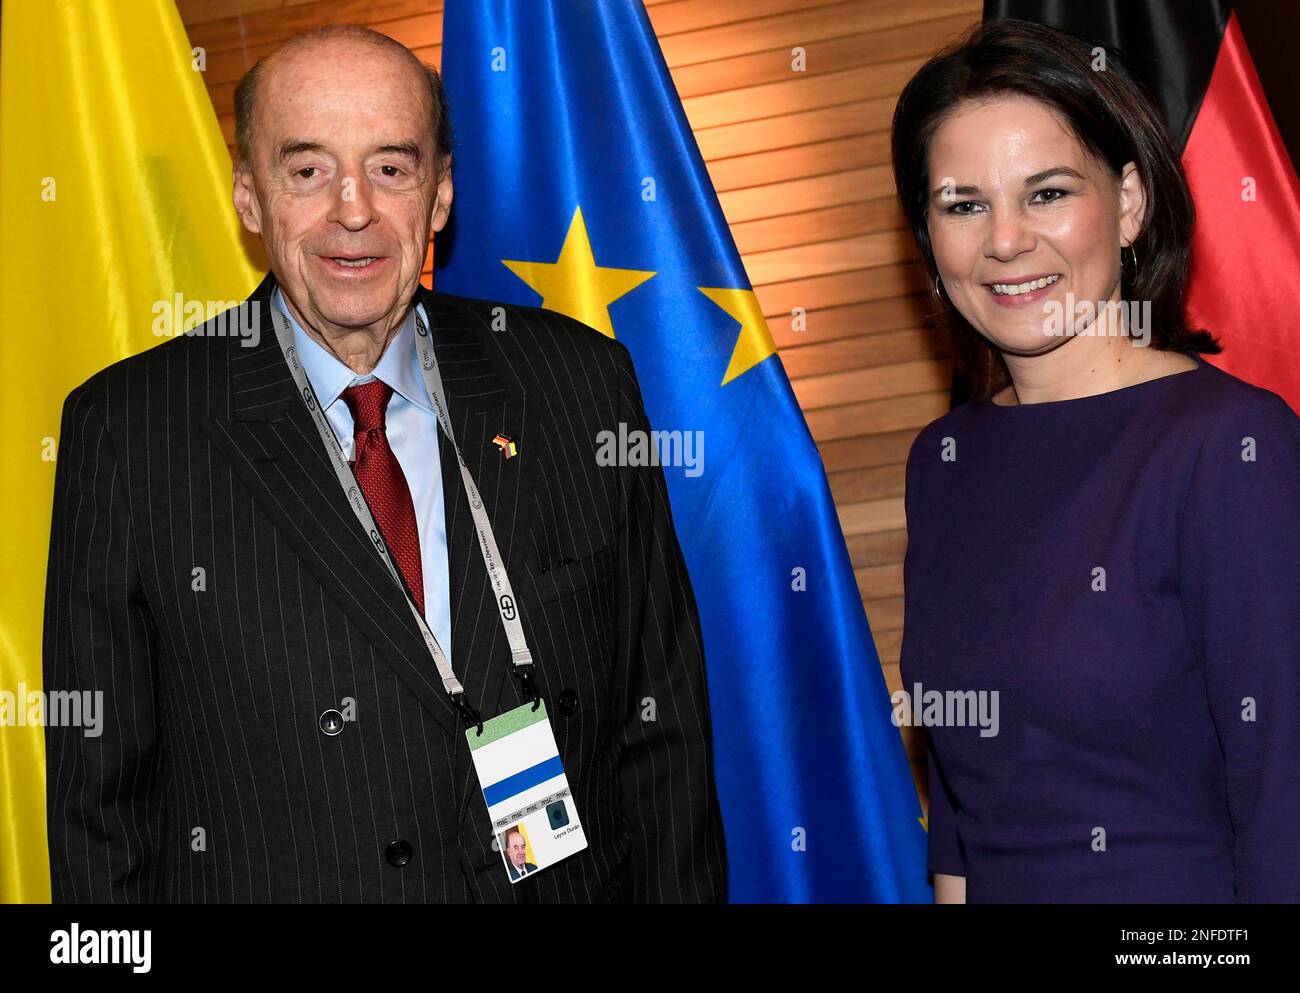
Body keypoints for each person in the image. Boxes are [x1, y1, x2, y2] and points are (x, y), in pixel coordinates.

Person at [43, 24, 727, 904]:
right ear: (250, 198)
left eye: (391, 167)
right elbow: (99, 814)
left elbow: (662, 731)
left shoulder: (580, 385)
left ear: (440, 194)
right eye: (308, 170)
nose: (353, 208)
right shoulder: (128, 433)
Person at [892, 19, 1300, 903]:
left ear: (1129, 204)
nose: (1005, 241)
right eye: (964, 204)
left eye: (1046, 193)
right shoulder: (944, 460)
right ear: (928, 237)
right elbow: (965, 804)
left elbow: (1285, 803)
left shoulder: (1230, 447)